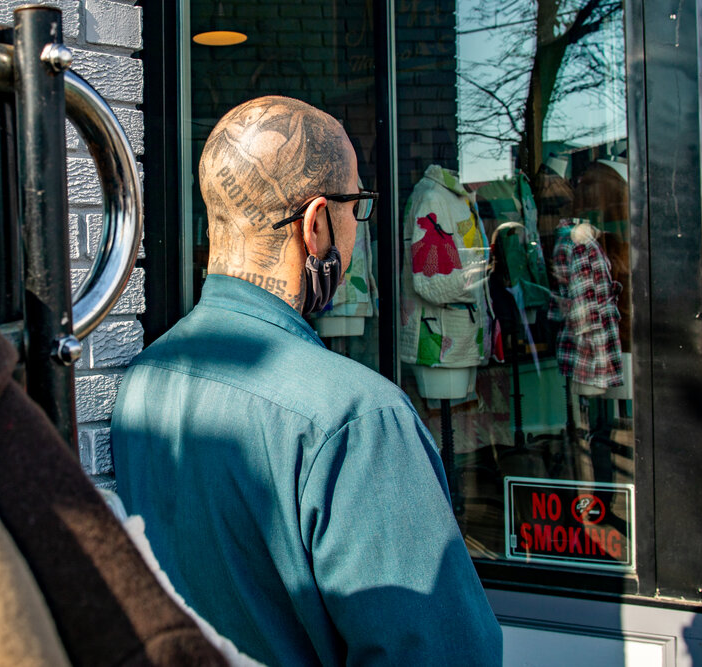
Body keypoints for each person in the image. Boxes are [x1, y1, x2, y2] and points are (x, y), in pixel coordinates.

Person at [111, 96, 502, 666]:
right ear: (316, 223)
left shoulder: (143, 381)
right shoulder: (359, 419)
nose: (356, 229)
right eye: (356, 206)